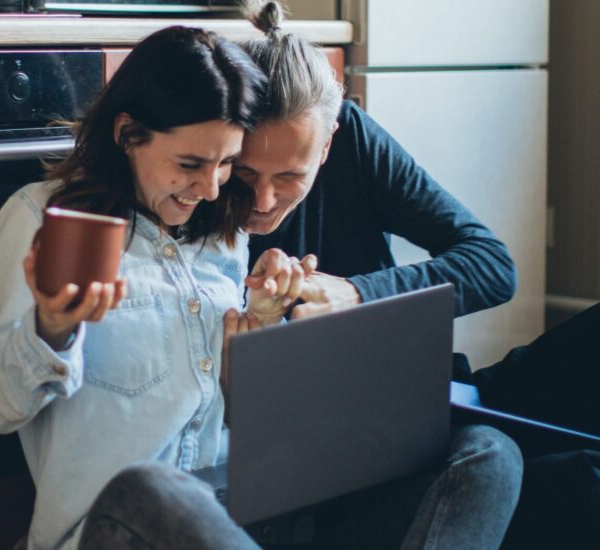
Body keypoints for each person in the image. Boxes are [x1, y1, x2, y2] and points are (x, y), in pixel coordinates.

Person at [232, 1, 597, 548]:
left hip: (431, 398)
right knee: (555, 473)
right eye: (245, 172)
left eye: (290, 176)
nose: (263, 199)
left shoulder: (352, 138)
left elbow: (491, 263)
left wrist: (356, 292)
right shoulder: (198, 176)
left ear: (328, 142)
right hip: (338, 448)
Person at [0, 26, 269, 549]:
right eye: (190, 164)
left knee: (464, 450)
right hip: (114, 531)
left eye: (226, 163)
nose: (211, 187)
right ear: (128, 134)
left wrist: (258, 349)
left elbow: (216, 415)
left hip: (229, 515)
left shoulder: (225, 235)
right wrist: (52, 328)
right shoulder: (43, 218)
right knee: (153, 493)